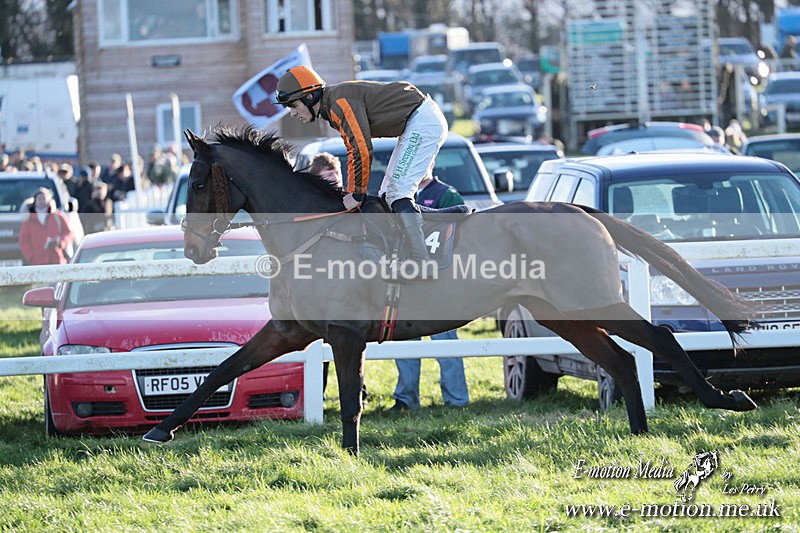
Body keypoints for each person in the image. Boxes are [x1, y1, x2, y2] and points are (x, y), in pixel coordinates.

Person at [276, 65, 448, 277]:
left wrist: (356, 193)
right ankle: (415, 244)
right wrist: (353, 191)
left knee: (398, 193)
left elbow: (360, 149)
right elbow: (354, 149)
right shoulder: (333, 104)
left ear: (310, 97)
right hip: (417, 120)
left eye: (294, 105)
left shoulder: (338, 103)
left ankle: (422, 263)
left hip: (422, 121)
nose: (292, 113)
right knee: (388, 195)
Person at [391, 167, 469, 411]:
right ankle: (406, 400)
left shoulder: (448, 196)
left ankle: (456, 400)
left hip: (438, 287)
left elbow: (463, 240)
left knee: (446, 345)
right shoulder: (394, 196)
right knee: (405, 347)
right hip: (407, 284)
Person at [19, 187, 74, 265]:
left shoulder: (58, 217)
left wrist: (61, 242)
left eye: (44, 198)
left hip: (57, 260)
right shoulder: (29, 220)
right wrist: (31, 255)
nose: (41, 201)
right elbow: (23, 241)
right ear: (35, 201)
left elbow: (69, 233)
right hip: (37, 262)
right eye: (39, 198)